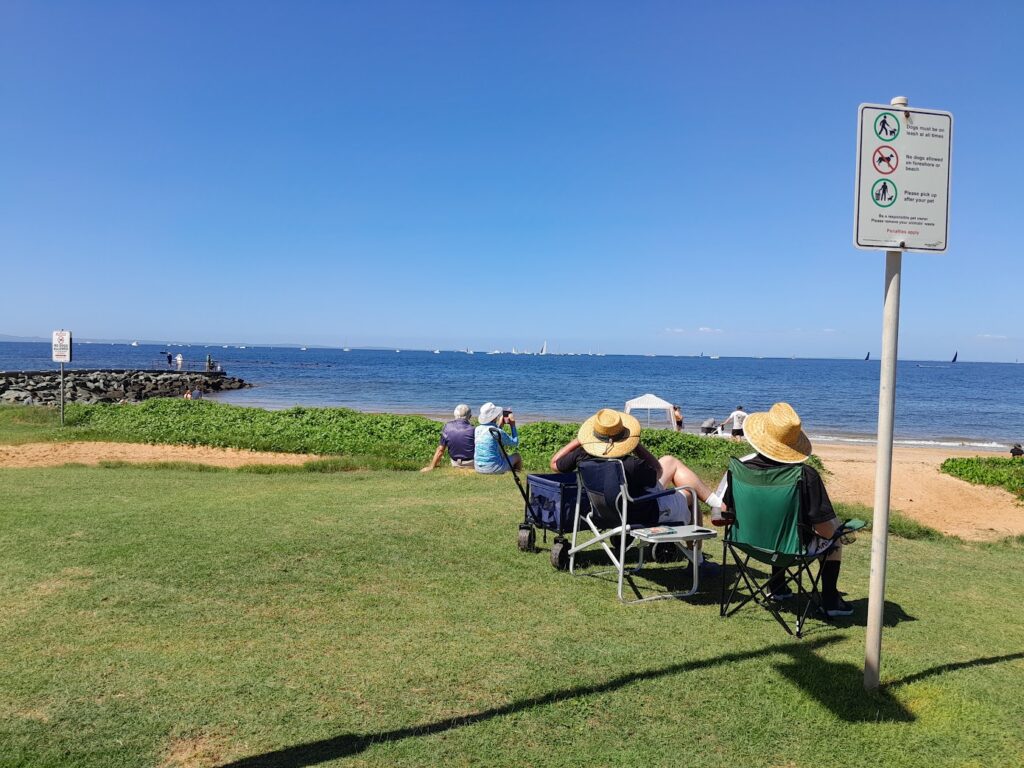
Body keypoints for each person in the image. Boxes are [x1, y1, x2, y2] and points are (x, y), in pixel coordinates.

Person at [709, 402, 853, 617]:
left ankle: (778, 587)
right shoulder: (805, 475)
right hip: (790, 550)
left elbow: (723, 510)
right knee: (834, 539)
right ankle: (831, 600)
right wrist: (839, 532)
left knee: (782, 529)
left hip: (748, 544)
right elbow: (825, 531)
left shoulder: (740, 469)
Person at [549, 408, 722, 528]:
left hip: (602, 511)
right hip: (639, 512)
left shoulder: (582, 456)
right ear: (624, 437)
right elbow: (658, 472)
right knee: (690, 493)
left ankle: (716, 504)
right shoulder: (631, 464)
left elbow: (555, 464)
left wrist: (579, 441)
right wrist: (637, 446)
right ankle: (698, 560)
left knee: (670, 460)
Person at [421, 404, 476, 471]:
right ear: (470, 416)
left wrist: (431, 466)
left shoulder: (447, 427)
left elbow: (440, 449)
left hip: (455, 463)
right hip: (471, 463)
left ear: (455, 414)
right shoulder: (473, 429)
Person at [474, 402, 522, 474]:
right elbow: (515, 443)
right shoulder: (497, 431)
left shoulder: (477, 429)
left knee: (501, 452)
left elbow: (493, 436)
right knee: (517, 456)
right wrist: (513, 425)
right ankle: (517, 474)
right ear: (494, 417)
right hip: (493, 468)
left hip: (478, 468)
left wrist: (500, 425)